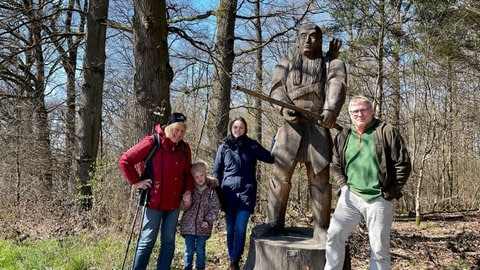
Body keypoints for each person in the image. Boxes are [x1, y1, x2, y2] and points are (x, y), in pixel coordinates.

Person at [267, 23, 347, 241]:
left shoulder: (332, 64)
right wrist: (284, 107)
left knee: (320, 178)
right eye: (303, 36)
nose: (308, 41)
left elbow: (336, 84)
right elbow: (276, 89)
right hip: (290, 128)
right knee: (280, 176)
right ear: (296, 40)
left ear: (320, 41)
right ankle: (274, 223)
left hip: (318, 127)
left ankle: (321, 227)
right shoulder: (284, 65)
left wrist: (330, 109)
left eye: (314, 37)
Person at [324, 96, 412, 269]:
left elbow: (403, 165)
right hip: (351, 197)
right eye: (355, 111)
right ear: (349, 114)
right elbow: (334, 164)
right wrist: (343, 185)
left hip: (379, 198)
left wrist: (389, 193)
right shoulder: (344, 135)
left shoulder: (386, 131)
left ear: (371, 110)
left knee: (379, 248)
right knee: (334, 236)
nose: (359, 114)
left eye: (364, 109)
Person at [119, 112, 194, 270]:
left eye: (182, 131)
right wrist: (136, 181)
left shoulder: (185, 148)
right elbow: (125, 160)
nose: (179, 134)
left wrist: (187, 191)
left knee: (168, 242)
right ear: (169, 128)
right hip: (153, 202)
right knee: (147, 241)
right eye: (176, 129)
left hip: (173, 204)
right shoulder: (153, 142)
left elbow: (187, 173)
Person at [212, 116, 275, 270]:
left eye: (241, 127)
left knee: (241, 228)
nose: (238, 130)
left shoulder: (252, 145)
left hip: (247, 193)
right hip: (228, 194)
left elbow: (270, 158)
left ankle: (234, 260)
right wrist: (217, 195)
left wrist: (275, 142)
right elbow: (216, 173)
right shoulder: (224, 147)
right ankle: (232, 258)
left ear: (245, 129)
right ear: (231, 129)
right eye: (235, 127)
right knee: (231, 229)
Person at [179, 161, 220, 270]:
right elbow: (182, 206)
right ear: (193, 178)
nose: (199, 178)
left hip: (203, 226)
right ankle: (187, 267)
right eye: (196, 177)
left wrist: (208, 220)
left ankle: (200, 267)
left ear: (205, 174)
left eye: (201, 175)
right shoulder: (190, 190)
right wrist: (186, 203)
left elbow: (215, 207)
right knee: (189, 250)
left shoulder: (211, 191)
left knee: (200, 250)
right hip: (188, 226)